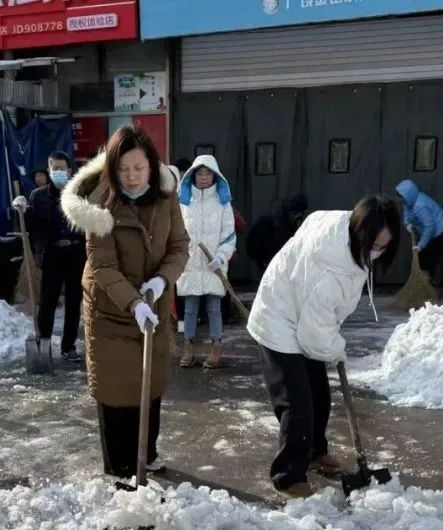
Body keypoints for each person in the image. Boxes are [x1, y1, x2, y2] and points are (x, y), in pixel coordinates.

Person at [248, 196, 401, 501]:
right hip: (279, 321)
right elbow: (314, 334)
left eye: (383, 246)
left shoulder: (347, 233)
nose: (376, 252)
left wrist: (330, 335)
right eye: (373, 244)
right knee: (297, 402)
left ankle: (315, 450)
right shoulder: (328, 268)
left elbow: (319, 319)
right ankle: (288, 475)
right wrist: (336, 347)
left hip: (303, 315)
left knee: (319, 393)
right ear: (358, 232)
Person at [61, 126, 189, 479]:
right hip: (111, 310)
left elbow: (180, 246)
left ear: (151, 165)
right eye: (123, 169)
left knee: (151, 388)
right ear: (112, 169)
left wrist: (162, 281)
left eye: (139, 168)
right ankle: (118, 470)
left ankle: (145, 454)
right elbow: (102, 264)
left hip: (155, 304)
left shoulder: (166, 197)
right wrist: (134, 303)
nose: (132, 177)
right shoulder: (98, 205)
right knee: (117, 393)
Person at [23, 151, 86, 362]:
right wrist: (23, 212)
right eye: (55, 168)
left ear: (70, 171)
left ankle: (69, 346)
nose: (59, 172)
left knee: (73, 301)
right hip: (52, 254)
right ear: (49, 171)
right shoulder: (38, 196)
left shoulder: (80, 193)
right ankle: (45, 344)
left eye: (62, 168)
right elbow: (32, 228)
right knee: (47, 302)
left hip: (76, 253)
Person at [175, 155, 236, 369]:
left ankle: (216, 350)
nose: (203, 177)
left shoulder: (222, 203)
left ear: (215, 175)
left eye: (207, 173)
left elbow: (229, 235)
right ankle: (188, 349)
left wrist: (221, 256)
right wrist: (181, 255)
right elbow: (176, 233)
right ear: (193, 175)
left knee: (214, 308)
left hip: (214, 264)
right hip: (190, 264)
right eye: (199, 173)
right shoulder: (184, 202)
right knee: (189, 309)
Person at [396, 179, 443, 279]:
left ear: (409, 194)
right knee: (424, 258)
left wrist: (421, 245)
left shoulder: (419, 206)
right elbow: (406, 214)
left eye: (402, 197)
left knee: (427, 260)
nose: (400, 200)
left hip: (440, 233)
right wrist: (407, 224)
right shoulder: (409, 202)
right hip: (430, 232)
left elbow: (430, 227)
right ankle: (424, 281)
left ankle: (428, 284)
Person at [247, 194, 309, 276]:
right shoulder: (274, 221)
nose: (299, 216)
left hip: (272, 256)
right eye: (298, 214)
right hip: (268, 255)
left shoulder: (287, 218)